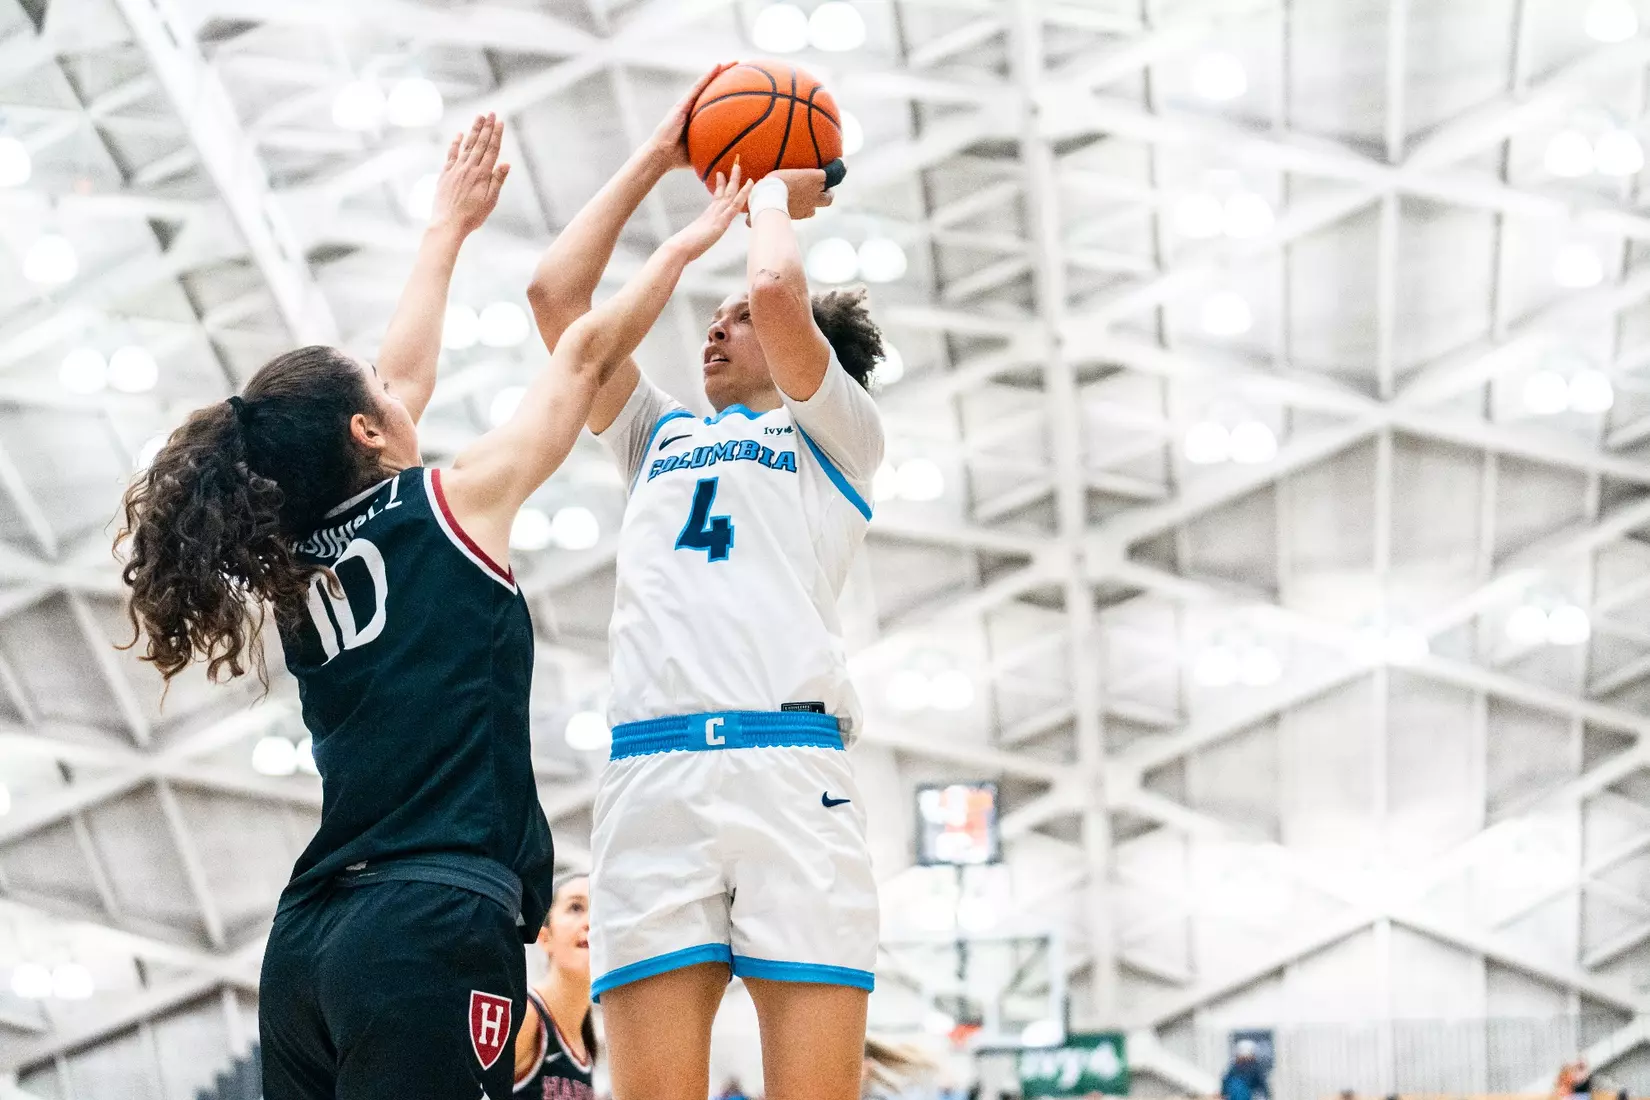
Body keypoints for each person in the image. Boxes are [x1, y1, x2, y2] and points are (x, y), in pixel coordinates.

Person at [116, 108, 753, 1100]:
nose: (400, 378)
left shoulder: (293, 552)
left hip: (309, 947)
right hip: (428, 923)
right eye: (378, 387)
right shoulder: (450, 502)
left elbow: (398, 376)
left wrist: (445, 232)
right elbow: (583, 358)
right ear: (368, 429)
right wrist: (685, 234)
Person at [527, 65, 889, 1100]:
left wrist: (770, 184)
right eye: (715, 315)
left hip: (789, 765)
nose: (716, 326)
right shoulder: (658, 436)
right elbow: (556, 297)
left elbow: (779, 290)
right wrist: (661, 151)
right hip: (653, 770)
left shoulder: (836, 440)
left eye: (733, 317)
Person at [514, 873, 597, 1100]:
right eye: (576, 908)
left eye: (601, 911)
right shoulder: (527, 1016)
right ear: (544, 937)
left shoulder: (586, 1047)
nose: (591, 922)